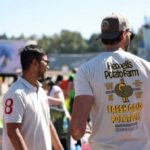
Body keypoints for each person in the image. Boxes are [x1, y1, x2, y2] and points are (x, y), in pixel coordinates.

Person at [71, 13, 150, 150]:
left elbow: (77, 130)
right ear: (124, 34)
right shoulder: (146, 67)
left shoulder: (86, 70)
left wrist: (84, 134)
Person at [2, 44, 63, 150]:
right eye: (46, 62)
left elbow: (48, 124)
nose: (48, 66)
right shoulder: (16, 94)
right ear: (34, 63)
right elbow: (12, 132)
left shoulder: (41, 92)